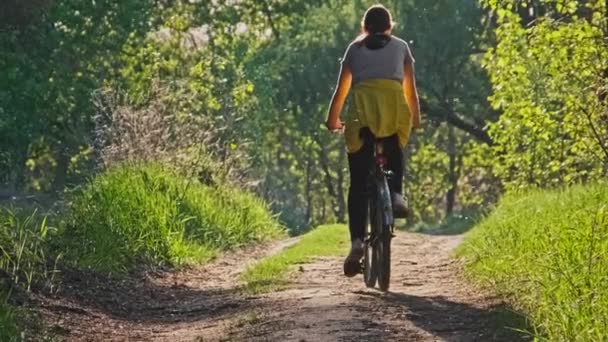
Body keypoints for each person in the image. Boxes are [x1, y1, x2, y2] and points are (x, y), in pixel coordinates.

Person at [325, 4, 421, 277]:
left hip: (362, 114)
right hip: (393, 110)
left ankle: (356, 242)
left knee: (358, 183)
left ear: (364, 28)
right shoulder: (401, 47)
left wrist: (333, 121)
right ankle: (397, 194)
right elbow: (410, 90)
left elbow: (341, 91)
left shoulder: (354, 50)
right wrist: (415, 119)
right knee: (394, 146)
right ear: (390, 26)